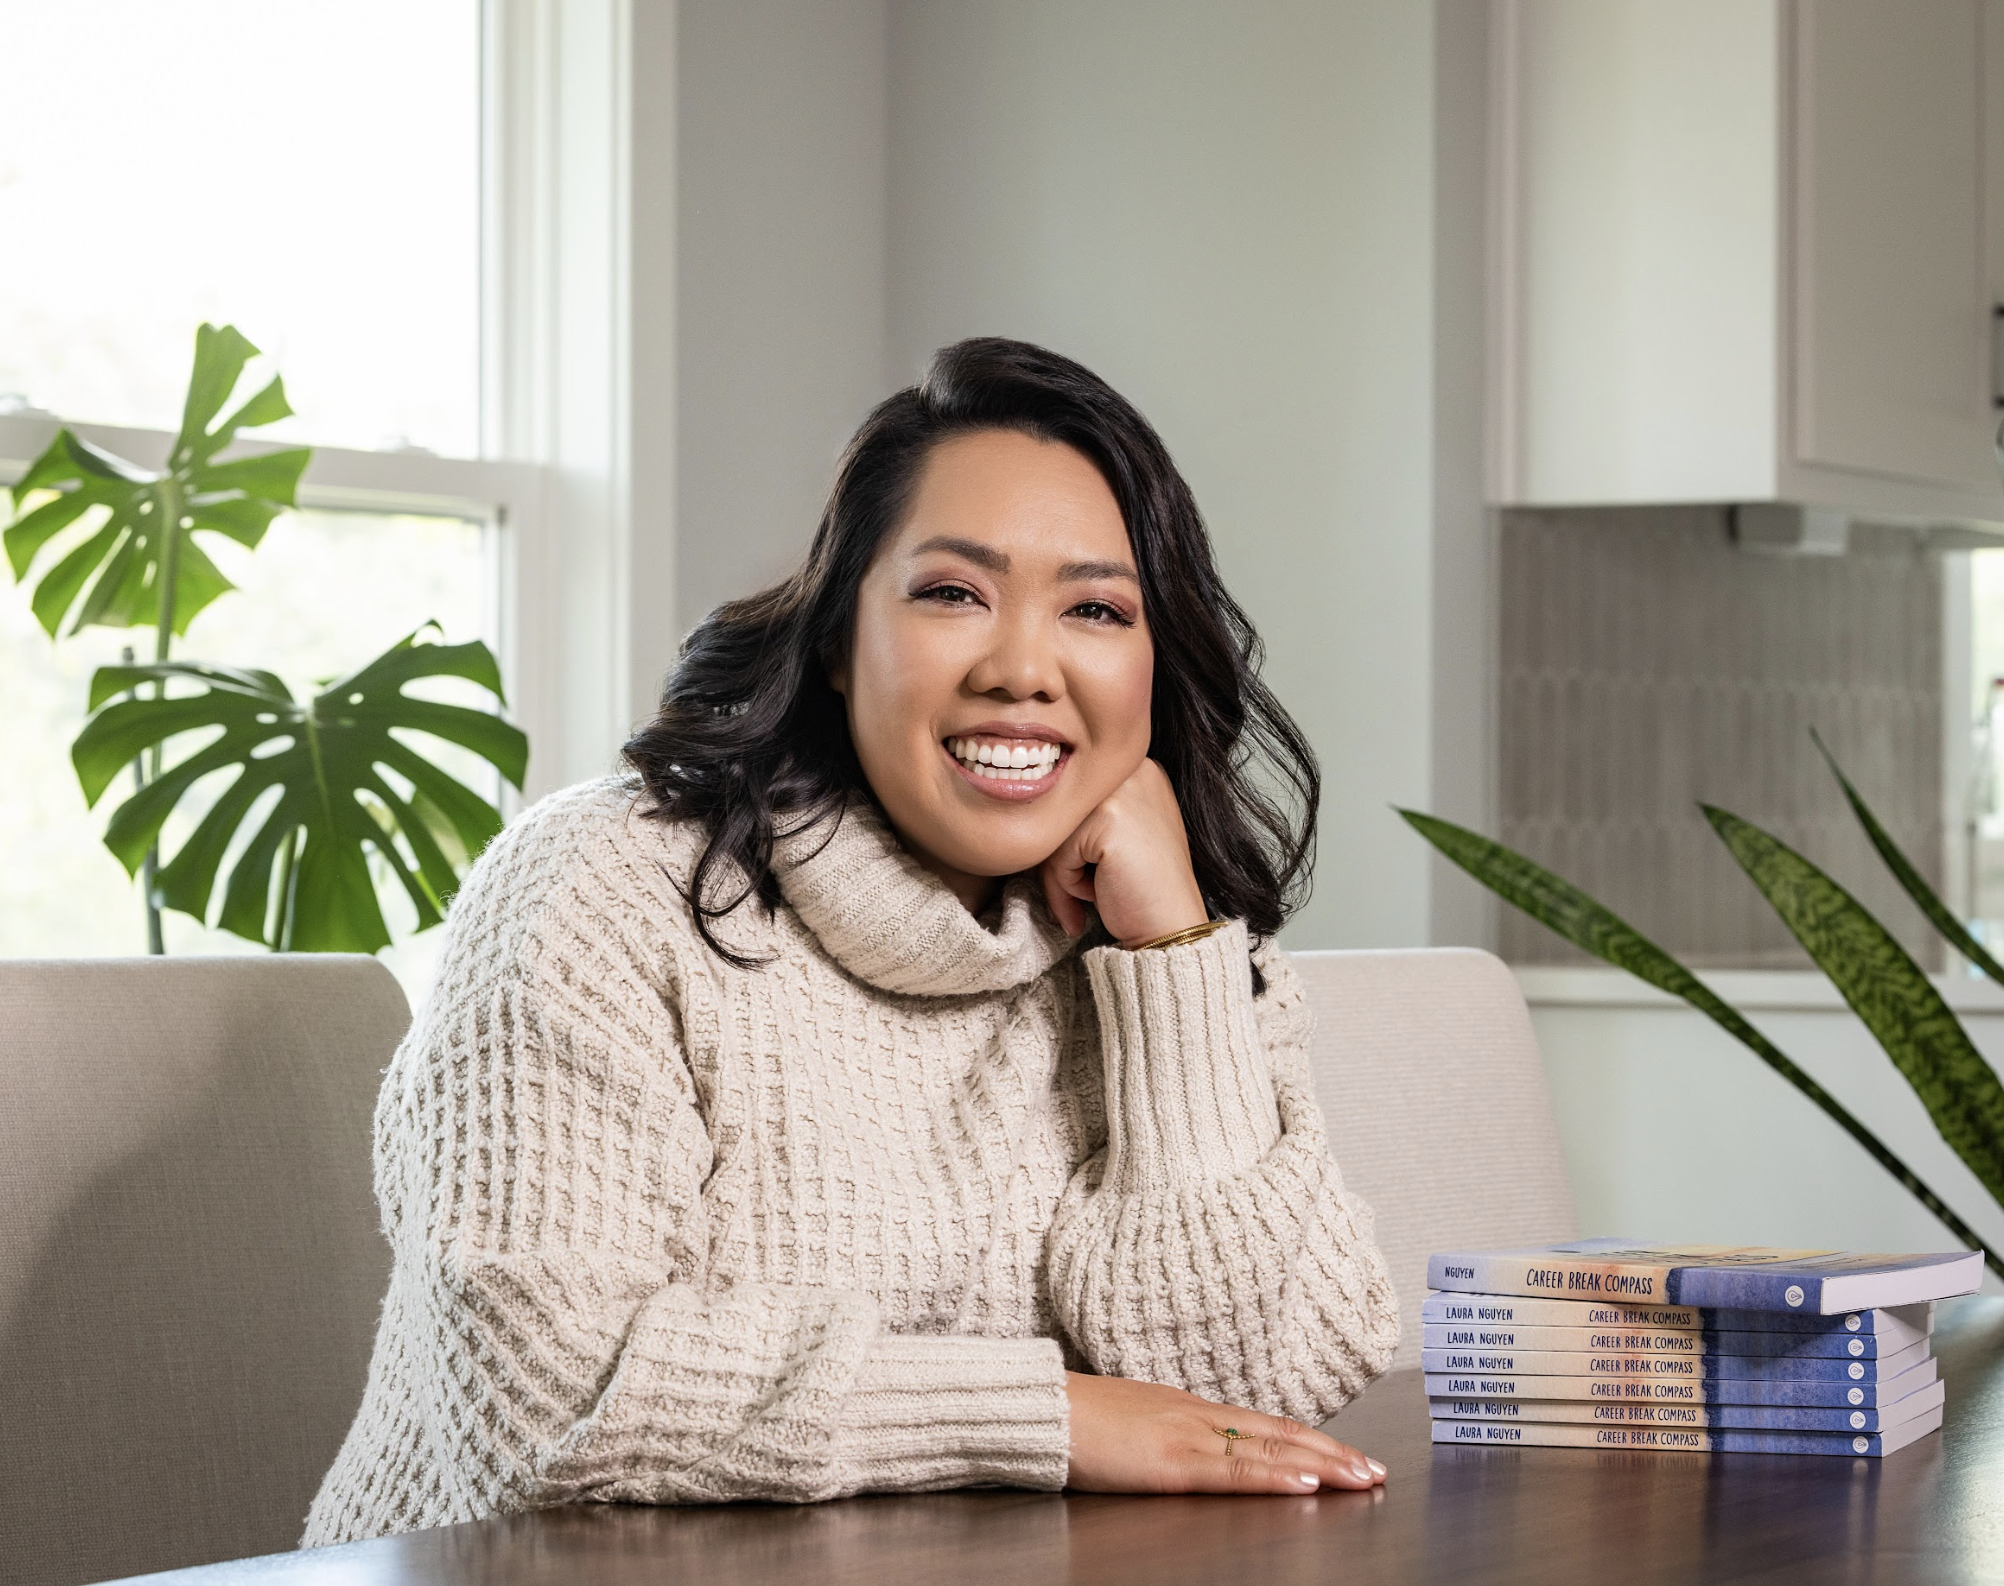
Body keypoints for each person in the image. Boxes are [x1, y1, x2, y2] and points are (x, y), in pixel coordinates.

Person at [304, 337, 1398, 1547]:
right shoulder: (606, 885)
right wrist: (1047, 1413)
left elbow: (1258, 1406)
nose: (1023, 667)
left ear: (1153, 662)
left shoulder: (1181, 938)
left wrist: (1172, 971)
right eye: (952, 592)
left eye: (1095, 608)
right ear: (837, 638)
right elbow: (540, 1396)